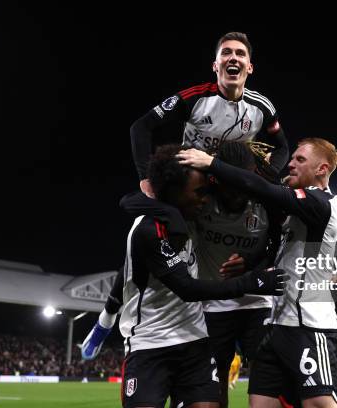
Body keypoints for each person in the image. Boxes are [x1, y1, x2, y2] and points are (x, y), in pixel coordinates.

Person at [83, 144, 287, 407]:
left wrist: (251, 261)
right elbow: (187, 288)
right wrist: (254, 281)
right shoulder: (150, 228)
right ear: (174, 192)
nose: (205, 199)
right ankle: (106, 318)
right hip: (150, 343)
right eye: (199, 193)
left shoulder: (195, 209)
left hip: (195, 339)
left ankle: (107, 317)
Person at [178, 137, 337, 408]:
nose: (290, 164)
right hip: (276, 323)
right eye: (292, 158)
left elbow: (264, 189)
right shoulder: (296, 213)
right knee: (261, 404)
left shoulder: (322, 204)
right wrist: (249, 260)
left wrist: (212, 163)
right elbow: (276, 250)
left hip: (306, 324)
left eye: (300, 160)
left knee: (319, 403)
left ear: (321, 169)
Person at [131, 32, 289, 197]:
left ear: (249, 67)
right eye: (226, 52)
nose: (233, 58)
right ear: (215, 65)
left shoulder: (262, 107)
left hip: (234, 186)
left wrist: (268, 173)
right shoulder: (193, 98)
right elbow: (141, 126)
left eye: (240, 53)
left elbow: (282, 147)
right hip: (194, 184)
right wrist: (145, 178)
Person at [194, 141, 279, 408]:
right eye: (228, 185)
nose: (235, 193)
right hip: (213, 305)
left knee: (267, 374)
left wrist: (251, 263)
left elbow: (277, 247)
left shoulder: (268, 201)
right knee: (214, 384)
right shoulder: (200, 200)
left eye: (240, 183)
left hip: (258, 302)